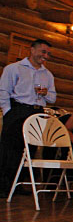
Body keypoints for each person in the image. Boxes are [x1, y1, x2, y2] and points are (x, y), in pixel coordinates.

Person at [0, 39, 56, 197]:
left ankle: (19, 183)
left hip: (36, 112)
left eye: (48, 54)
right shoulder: (14, 68)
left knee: (29, 150)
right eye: (43, 52)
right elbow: (4, 91)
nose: (45, 56)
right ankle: (3, 186)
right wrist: (8, 112)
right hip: (17, 109)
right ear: (32, 50)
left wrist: (46, 94)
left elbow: (53, 98)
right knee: (10, 149)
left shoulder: (48, 74)